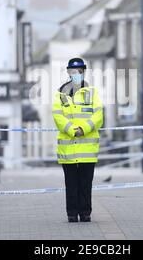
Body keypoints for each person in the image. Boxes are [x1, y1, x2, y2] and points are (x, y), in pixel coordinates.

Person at [52, 58, 104, 223]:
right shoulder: (60, 94)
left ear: (84, 72)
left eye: (79, 72)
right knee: (71, 184)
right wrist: (72, 130)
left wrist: (84, 129)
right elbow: (57, 116)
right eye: (73, 72)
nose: (76, 75)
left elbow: (98, 116)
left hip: (87, 150)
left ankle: (85, 213)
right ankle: (72, 214)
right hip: (68, 149)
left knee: (85, 184)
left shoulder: (92, 93)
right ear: (68, 73)